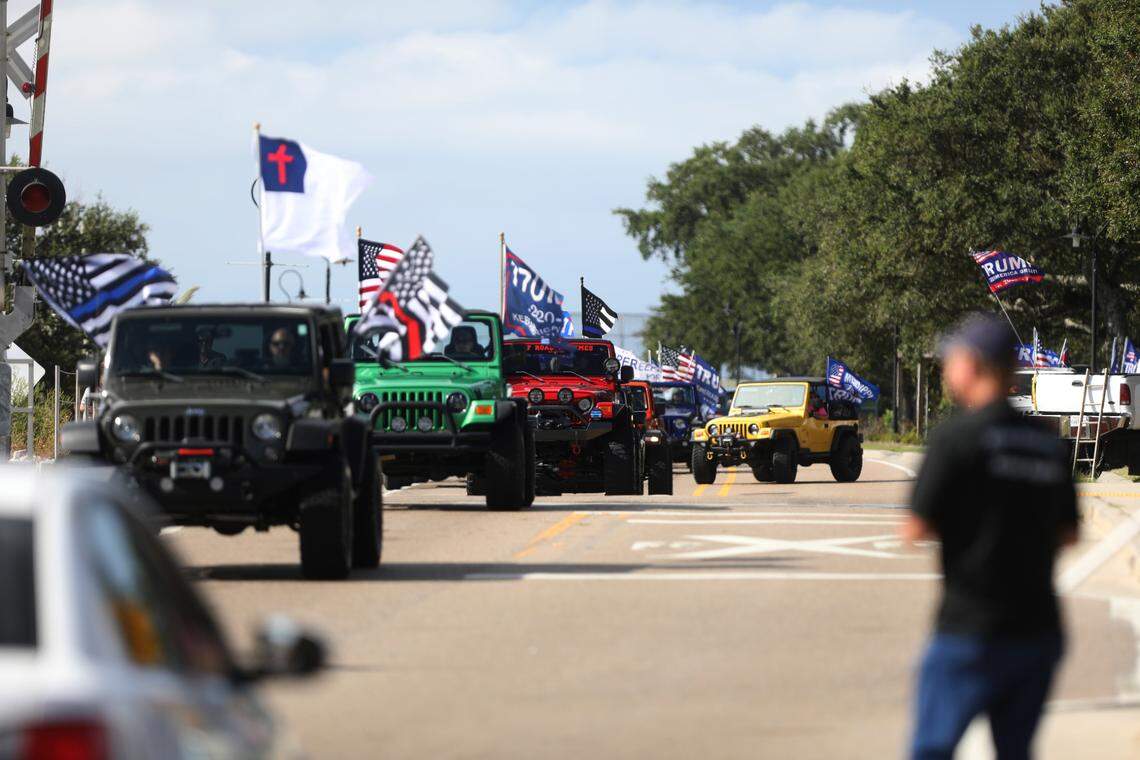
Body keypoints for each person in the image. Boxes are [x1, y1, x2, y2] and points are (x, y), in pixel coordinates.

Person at [903, 313, 1079, 760]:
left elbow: (915, 526)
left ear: (975, 364)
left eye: (952, 358)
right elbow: (1069, 534)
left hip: (971, 629)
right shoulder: (1046, 442)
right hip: (1038, 629)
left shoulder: (956, 438)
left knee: (932, 749)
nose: (946, 368)